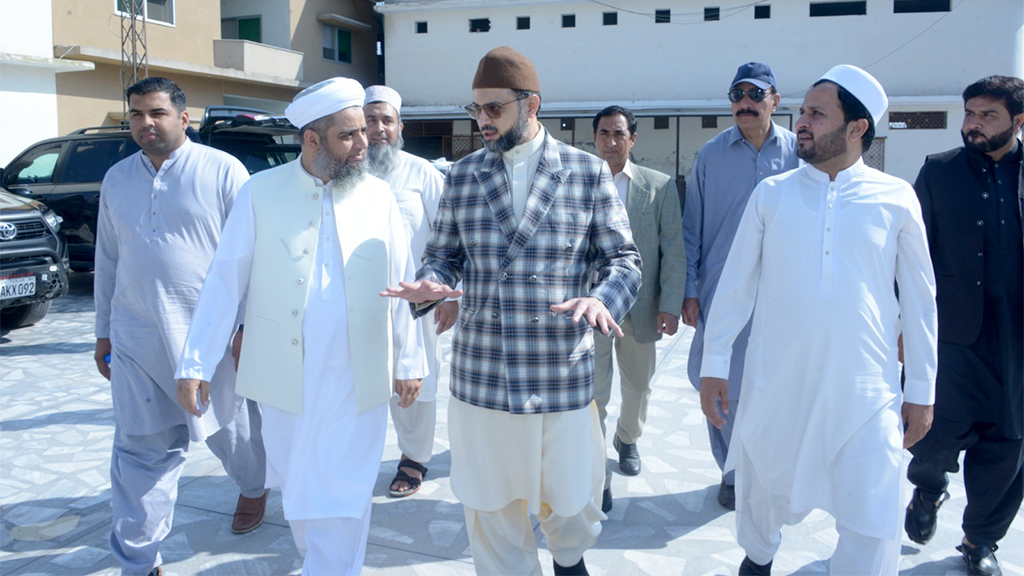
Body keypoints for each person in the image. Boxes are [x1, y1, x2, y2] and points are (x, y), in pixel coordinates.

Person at [383, 46, 642, 576]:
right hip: (484, 373)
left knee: (572, 505)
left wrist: (601, 299)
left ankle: (570, 562)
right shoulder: (462, 175)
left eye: (493, 109)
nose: (482, 120)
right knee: (490, 506)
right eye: (474, 109)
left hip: (560, 371)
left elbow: (625, 261)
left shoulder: (586, 172)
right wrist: (433, 284)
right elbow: (444, 256)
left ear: (532, 105)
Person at [175, 77, 426, 575]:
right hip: (283, 374)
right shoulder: (259, 192)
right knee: (300, 485)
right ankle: (321, 563)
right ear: (312, 139)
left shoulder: (378, 196)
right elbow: (225, 281)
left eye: (364, 133)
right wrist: (196, 362)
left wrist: (410, 357)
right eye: (349, 135)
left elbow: (404, 282)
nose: (364, 144)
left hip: (361, 371)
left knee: (348, 487)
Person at [698, 65, 938, 575]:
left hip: (865, 392)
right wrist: (714, 363)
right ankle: (758, 561)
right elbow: (736, 285)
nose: (800, 121)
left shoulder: (895, 199)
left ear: (856, 128)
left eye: (816, 113)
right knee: (762, 499)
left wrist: (921, 389)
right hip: (777, 383)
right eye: (802, 110)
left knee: (872, 517)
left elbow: (921, 301)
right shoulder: (773, 194)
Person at [93, 77, 267, 576]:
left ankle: (254, 488)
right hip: (135, 338)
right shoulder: (116, 178)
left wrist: (244, 326)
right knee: (139, 453)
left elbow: (250, 257)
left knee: (231, 436)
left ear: (183, 118)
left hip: (208, 338)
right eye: (136, 115)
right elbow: (108, 258)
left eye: (156, 113)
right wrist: (103, 329)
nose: (145, 124)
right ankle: (141, 560)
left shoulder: (223, 171)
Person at [905, 75, 1023, 576]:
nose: (972, 125)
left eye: (986, 116)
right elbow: (908, 257)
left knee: (1008, 445)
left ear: (1018, 122)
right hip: (951, 338)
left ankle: (979, 541)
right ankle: (928, 490)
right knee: (934, 439)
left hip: (1016, 343)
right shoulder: (938, 172)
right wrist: (905, 327)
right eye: (969, 114)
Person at [682, 62, 799, 511]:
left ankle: (767, 466)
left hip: (783, 291)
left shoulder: (797, 152)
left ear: (775, 100)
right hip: (721, 291)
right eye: (737, 95)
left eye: (755, 94)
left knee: (775, 380)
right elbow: (692, 227)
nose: (745, 103)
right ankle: (731, 469)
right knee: (718, 380)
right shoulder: (711, 154)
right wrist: (689, 289)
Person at [590, 105, 685, 512]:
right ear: (594, 138)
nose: (611, 142)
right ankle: (598, 473)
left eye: (618, 134)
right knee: (592, 395)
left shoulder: (659, 186)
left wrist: (670, 304)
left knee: (638, 388)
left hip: (640, 308)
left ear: (633, 138)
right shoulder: (578, 183)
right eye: (603, 134)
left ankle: (627, 439)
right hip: (590, 309)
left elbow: (674, 251)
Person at [363, 85, 455, 498]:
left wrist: (451, 295)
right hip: (357, 300)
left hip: (416, 302)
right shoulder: (344, 172)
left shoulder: (423, 174)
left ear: (400, 127)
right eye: (370, 119)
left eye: (387, 120)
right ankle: (357, 455)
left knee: (416, 379)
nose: (378, 128)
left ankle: (414, 457)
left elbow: (452, 240)